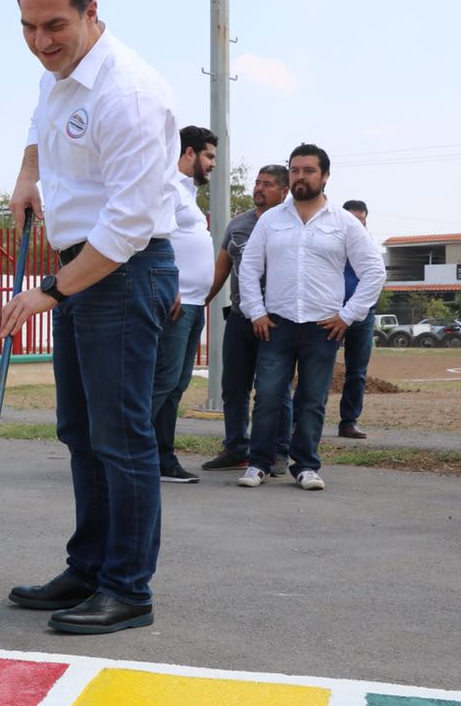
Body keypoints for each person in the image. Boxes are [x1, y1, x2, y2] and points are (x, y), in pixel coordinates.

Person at [0, 0, 179, 635]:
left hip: (123, 271)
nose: (42, 42)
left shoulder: (127, 93)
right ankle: (89, 567)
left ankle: (128, 587)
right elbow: (39, 127)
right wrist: (26, 177)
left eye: (56, 25)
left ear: (91, 12)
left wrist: (51, 290)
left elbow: (129, 224)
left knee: (123, 436)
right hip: (81, 268)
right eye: (28, 27)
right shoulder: (59, 73)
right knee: (80, 430)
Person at [236, 144, 385, 490]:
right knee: (268, 397)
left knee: (312, 401)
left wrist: (348, 315)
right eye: (295, 170)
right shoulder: (271, 220)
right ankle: (258, 464)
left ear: (325, 176)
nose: (300, 176)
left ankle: (305, 466)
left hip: (324, 327)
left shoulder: (345, 223)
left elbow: (374, 271)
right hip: (277, 324)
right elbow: (249, 267)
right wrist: (255, 311)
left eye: (308, 170)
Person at [200, 166, 292, 473]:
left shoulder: (291, 225)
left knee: (273, 389)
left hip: (276, 322)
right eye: (257, 182)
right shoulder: (238, 225)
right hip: (240, 319)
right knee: (233, 388)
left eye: (267, 184)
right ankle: (236, 448)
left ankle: (278, 451)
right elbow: (221, 269)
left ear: (284, 191)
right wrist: (198, 303)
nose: (259, 188)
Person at [150, 126, 216, 484]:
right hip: (175, 303)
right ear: (189, 153)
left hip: (193, 304)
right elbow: (152, 238)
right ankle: (130, 453)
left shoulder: (187, 193)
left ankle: (162, 458)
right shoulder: (167, 185)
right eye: (209, 157)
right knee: (163, 381)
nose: (212, 165)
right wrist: (167, 285)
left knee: (176, 384)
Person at [337, 199, 375, 439]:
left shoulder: (368, 245)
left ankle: (349, 421)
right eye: (352, 221)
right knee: (316, 368)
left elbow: (376, 276)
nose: (357, 227)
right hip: (331, 313)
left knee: (357, 371)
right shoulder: (331, 243)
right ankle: (300, 420)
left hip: (363, 314)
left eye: (361, 222)